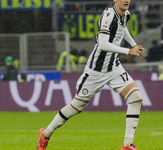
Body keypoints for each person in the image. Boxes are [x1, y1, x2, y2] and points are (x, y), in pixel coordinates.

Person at [37, 0, 146, 150]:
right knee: (76, 106)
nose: (127, 0)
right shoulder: (108, 15)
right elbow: (102, 44)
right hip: (96, 69)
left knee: (136, 98)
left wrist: (133, 44)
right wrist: (128, 51)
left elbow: (122, 29)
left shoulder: (125, 14)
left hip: (113, 66)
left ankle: (127, 145)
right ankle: (46, 133)